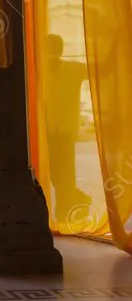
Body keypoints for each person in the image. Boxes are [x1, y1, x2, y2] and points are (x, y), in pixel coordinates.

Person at [42, 33, 92, 215]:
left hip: (64, 130)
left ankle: (65, 211)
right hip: (49, 130)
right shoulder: (39, 70)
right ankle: (78, 202)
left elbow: (99, 71)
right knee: (56, 175)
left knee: (65, 174)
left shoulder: (73, 68)